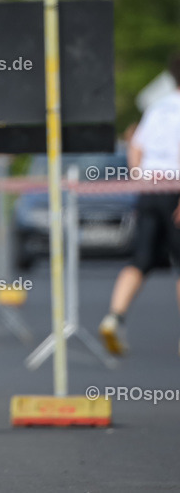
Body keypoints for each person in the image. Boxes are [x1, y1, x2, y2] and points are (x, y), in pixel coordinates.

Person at [99, 53, 180, 356]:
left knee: (140, 259)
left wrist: (138, 179)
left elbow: (136, 146)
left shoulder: (157, 108)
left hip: (149, 189)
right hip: (175, 188)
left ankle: (115, 316)